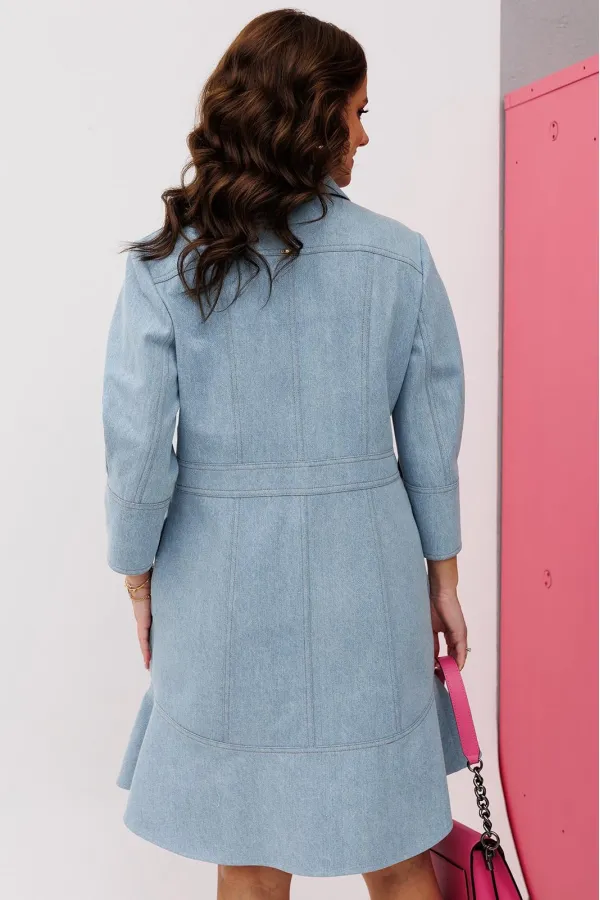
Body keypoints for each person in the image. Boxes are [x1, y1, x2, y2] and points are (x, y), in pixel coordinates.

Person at [102, 9, 469, 899]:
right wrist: (444, 577)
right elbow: (431, 441)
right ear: (313, 113)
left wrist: (139, 580)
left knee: (249, 855)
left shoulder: (167, 267)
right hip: (367, 590)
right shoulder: (401, 259)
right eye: (358, 111)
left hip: (219, 591)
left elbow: (139, 453)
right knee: (398, 849)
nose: (365, 135)